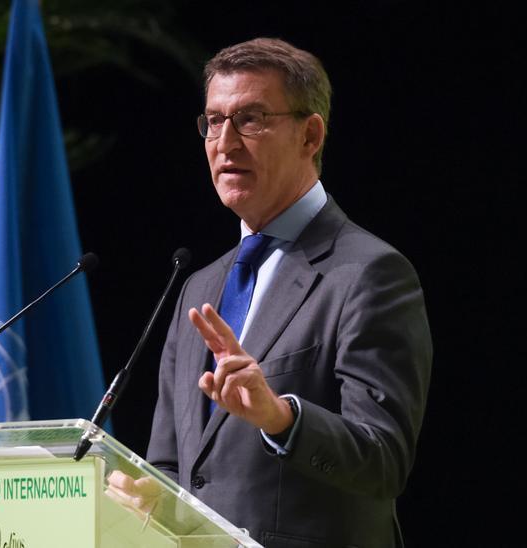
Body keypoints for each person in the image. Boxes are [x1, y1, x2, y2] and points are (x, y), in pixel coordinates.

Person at [139, 37, 432, 547]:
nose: (224, 143)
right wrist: (146, 495)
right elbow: (174, 464)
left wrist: (280, 417)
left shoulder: (369, 272)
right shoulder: (197, 286)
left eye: (250, 119)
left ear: (310, 135)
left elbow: (384, 460)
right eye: (213, 121)